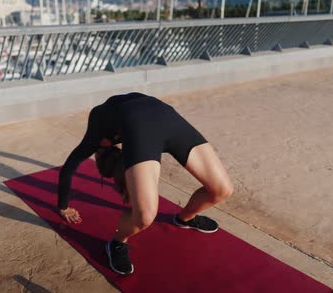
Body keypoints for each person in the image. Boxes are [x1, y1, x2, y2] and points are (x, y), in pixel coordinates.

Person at [58, 92, 233, 275]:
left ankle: (185, 219)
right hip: (154, 117)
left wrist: (63, 207)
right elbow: (70, 168)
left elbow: (69, 168)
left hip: (164, 116)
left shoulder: (97, 131)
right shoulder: (107, 137)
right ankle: (118, 242)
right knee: (145, 216)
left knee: (222, 190)